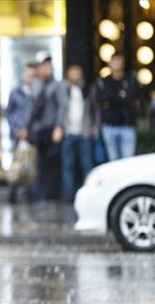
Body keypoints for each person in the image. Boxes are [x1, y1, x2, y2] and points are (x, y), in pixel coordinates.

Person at [56, 65, 101, 203]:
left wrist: (95, 128)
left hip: (84, 132)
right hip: (68, 132)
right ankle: (68, 196)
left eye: (78, 72)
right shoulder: (63, 89)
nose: (76, 75)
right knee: (67, 165)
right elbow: (59, 109)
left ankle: (88, 195)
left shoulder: (88, 89)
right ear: (68, 74)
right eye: (73, 72)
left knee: (86, 164)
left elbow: (95, 110)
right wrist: (58, 127)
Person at [28, 54, 62, 202]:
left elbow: (62, 107)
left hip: (52, 128)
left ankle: (52, 194)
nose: (45, 70)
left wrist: (59, 127)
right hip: (38, 129)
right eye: (43, 67)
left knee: (53, 163)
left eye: (48, 67)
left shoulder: (57, 85)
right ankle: (40, 194)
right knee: (40, 163)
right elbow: (32, 105)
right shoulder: (37, 84)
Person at [95, 53, 140, 161]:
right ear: (109, 64)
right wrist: (121, 96)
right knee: (113, 161)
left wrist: (112, 100)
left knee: (128, 161)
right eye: (114, 62)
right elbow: (101, 99)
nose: (117, 65)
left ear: (123, 64)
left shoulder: (131, 80)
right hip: (109, 125)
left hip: (127, 125)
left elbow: (133, 98)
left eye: (119, 62)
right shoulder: (103, 81)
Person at [5, 63, 36, 204]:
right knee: (17, 163)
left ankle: (30, 194)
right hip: (19, 135)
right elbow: (9, 113)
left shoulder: (37, 92)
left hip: (32, 135)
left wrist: (30, 130)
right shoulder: (16, 93)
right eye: (28, 74)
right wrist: (17, 129)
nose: (30, 78)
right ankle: (13, 193)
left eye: (32, 75)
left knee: (31, 164)